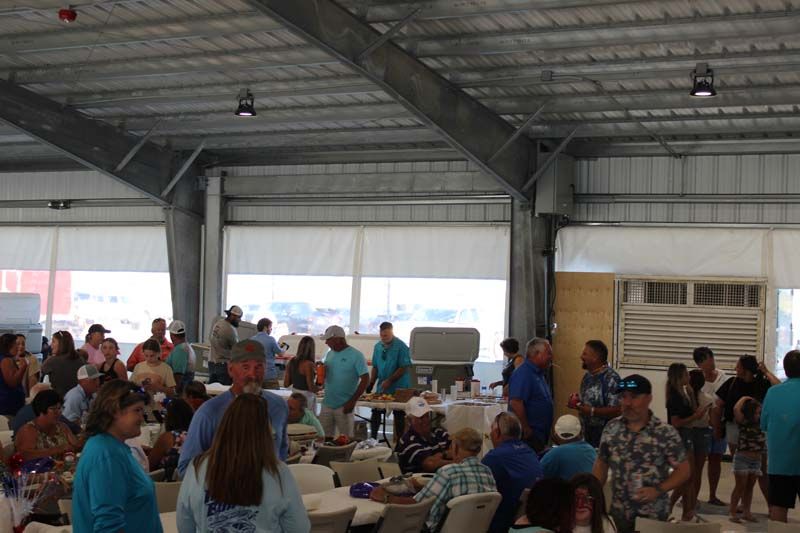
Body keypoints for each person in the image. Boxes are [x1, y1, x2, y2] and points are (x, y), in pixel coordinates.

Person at [176, 393, 310, 533]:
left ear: (224, 425)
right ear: (265, 431)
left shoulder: (197, 467)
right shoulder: (278, 472)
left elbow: (184, 526)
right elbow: (299, 528)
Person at [592, 374, 690, 533]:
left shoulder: (665, 433)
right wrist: (593, 497)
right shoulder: (612, 429)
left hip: (652, 517)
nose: (627, 403)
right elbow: (601, 464)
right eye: (623, 397)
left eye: (634, 397)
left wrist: (658, 489)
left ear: (649, 398)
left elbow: (684, 470)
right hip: (619, 516)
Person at [178, 339, 289, 476]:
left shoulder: (278, 407)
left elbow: (282, 454)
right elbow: (185, 468)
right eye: (245, 367)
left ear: (266, 368)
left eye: (258, 367)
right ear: (230, 369)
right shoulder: (209, 412)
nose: (252, 375)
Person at [72, 380, 161, 532]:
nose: (142, 418)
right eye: (137, 410)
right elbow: (108, 525)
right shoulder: (106, 454)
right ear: (114, 411)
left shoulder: (113, 448)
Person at [370, 427, 496, 531]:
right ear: (478, 450)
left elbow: (417, 505)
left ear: (456, 447)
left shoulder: (448, 472)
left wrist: (387, 497)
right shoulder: (487, 472)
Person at [714, 354, 779, 503]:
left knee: (761, 469)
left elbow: (778, 387)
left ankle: (771, 505)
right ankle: (744, 505)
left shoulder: (761, 383)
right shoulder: (732, 382)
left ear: (745, 368)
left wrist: (766, 372)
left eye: (738, 365)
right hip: (734, 428)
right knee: (741, 470)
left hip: (757, 431)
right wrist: (717, 427)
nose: (736, 368)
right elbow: (718, 405)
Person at [482, 412, 543, 533]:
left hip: (503, 522)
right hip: (529, 518)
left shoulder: (495, 457)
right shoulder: (529, 452)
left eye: (491, 432)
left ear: (497, 433)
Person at [664, 363, 709, 522]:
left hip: (687, 434)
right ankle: (670, 504)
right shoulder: (674, 397)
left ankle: (688, 510)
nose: (689, 378)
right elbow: (676, 422)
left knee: (691, 476)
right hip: (680, 436)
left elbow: (692, 411)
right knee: (686, 476)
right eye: (686, 375)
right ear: (680, 376)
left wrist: (691, 396)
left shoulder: (683, 393)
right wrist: (696, 417)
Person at [761, 350, 800, 522]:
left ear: (785, 370)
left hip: (779, 463)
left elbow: (763, 425)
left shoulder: (773, 393)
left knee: (778, 507)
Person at [692, 346, 728, 506]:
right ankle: (693, 496)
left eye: (712, 358)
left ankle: (713, 495)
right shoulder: (695, 379)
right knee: (698, 463)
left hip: (719, 425)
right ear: (699, 364)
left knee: (716, 460)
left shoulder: (722, 376)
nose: (712, 363)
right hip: (702, 427)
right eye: (708, 360)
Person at [568, 340, 621, 448]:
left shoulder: (611, 379)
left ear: (595, 358)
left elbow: (618, 410)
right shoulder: (587, 376)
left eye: (585, 354)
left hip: (605, 439)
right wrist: (577, 403)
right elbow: (589, 402)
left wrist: (592, 411)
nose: (581, 357)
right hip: (587, 436)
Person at [318, 325, 369, 438]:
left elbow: (365, 379)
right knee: (323, 438)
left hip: (345, 405)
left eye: (328, 340)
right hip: (327, 403)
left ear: (338, 339)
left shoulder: (356, 355)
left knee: (346, 439)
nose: (326, 343)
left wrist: (352, 401)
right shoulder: (329, 354)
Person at [509, 337, 554, 452]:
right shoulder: (524, 373)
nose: (551, 357)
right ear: (536, 354)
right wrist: (525, 427)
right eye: (548, 353)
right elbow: (516, 402)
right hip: (530, 435)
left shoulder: (539, 373)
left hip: (540, 433)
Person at [368, 321, 412, 439]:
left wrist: (390, 381)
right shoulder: (378, 347)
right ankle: (373, 438)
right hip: (382, 386)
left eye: (386, 335)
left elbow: (404, 367)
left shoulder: (401, 346)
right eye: (382, 335)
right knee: (376, 411)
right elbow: (376, 367)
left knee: (399, 414)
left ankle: (400, 443)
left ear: (392, 332)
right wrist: (371, 383)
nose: (384, 338)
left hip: (399, 386)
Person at [15, 389, 81, 460]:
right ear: (41, 410)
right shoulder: (29, 430)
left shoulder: (62, 427)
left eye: (59, 408)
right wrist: (56, 450)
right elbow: (25, 455)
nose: (58, 412)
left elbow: (76, 446)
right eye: (53, 409)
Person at [729, 396, 765, 524]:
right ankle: (733, 511)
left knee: (750, 487)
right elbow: (736, 409)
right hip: (743, 458)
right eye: (756, 412)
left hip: (756, 460)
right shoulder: (743, 422)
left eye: (759, 412)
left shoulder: (762, 423)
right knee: (740, 486)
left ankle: (746, 511)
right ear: (750, 413)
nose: (758, 415)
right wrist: (744, 398)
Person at [396, 396, 451, 473]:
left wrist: (440, 456)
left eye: (427, 416)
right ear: (409, 420)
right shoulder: (407, 441)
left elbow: (458, 449)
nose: (425, 420)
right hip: (420, 483)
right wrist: (450, 458)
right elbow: (430, 464)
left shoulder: (439, 433)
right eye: (420, 418)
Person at [540, 414, 597, 481]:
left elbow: (537, 475)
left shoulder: (556, 453)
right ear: (580, 432)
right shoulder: (591, 450)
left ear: (556, 433)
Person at [148, 398, 194, 481]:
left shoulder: (168, 438)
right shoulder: (196, 435)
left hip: (167, 488)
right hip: (191, 485)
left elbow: (150, 465)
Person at [687, 370, 712, 510]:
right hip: (703, 433)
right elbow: (712, 420)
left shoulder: (685, 398)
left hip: (688, 432)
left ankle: (686, 497)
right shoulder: (708, 399)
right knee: (698, 470)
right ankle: (694, 499)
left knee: (687, 470)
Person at [41, 330, 87, 398]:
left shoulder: (52, 361)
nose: (51, 345)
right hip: (77, 398)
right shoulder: (81, 359)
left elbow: (42, 372)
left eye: (53, 341)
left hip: (58, 400)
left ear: (61, 343)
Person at [207, 305, 243, 385]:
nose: (240, 320)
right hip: (223, 366)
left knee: (213, 390)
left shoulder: (218, 323)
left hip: (212, 362)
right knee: (224, 392)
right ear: (233, 316)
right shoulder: (230, 330)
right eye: (239, 318)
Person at [283, 335, 318, 410]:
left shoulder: (291, 362)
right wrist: (321, 387)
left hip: (294, 397)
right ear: (311, 349)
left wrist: (296, 378)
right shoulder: (309, 364)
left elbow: (286, 384)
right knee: (307, 420)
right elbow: (311, 387)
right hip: (306, 399)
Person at [251, 317, 285, 389]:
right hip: (269, 375)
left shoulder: (252, 340)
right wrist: (284, 347)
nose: (271, 330)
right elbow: (281, 353)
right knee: (274, 397)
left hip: (255, 375)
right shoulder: (271, 339)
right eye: (270, 327)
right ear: (265, 327)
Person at [0, 332, 27, 417]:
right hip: (8, 406)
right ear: (10, 345)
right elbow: (12, 382)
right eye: (16, 344)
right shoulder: (6, 360)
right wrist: (23, 367)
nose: (18, 347)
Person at [166, 320, 196, 394]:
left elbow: (178, 375)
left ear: (172, 335)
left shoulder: (180, 349)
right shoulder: (187, 347)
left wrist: (175, 392)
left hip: (181, 389)